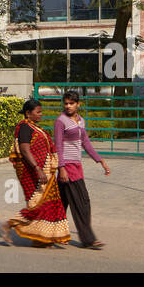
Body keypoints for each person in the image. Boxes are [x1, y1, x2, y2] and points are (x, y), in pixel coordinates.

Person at [0, 99, 70, 246]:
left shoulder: (34, 127)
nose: (41, 115)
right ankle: (9, 224)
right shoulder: (24, 127)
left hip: (44, 172)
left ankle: (39, 238)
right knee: (37, 205)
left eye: (41, 111)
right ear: (28, 113)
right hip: (32, 173)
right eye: (38, 112)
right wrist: (38, 169)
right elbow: (25, 150)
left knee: (48, 204)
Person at [54, 89, 109, 249]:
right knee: (81, 202)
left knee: (61, 203)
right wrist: (62, 168)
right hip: (68, 167)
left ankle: (52, 233)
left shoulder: (80, 121)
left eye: (71, 103)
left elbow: (85, 143)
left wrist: (100, 161)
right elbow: (58, 145)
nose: (68, 106)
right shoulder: (61, 121)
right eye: (66, 103)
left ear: (78, 104)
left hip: (77, 166)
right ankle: (88, 239)